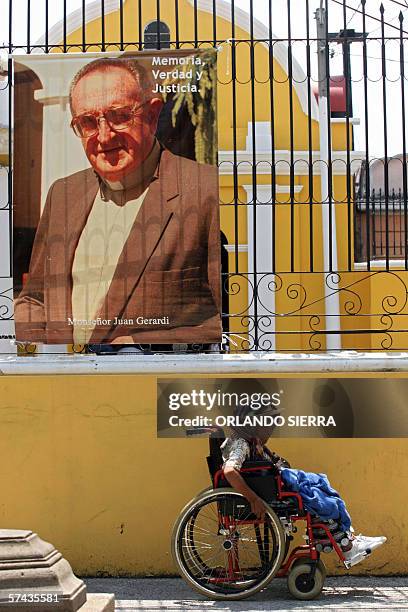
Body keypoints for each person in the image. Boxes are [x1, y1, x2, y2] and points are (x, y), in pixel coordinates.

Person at [14, 56, 221, 345]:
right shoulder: (63, 193)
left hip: (149, 385)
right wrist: (45, 351)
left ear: (152, 115)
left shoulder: (206, 190)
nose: (103, 136)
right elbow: (34, 298)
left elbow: (226, 319)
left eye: (119, 116)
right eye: (87, 122)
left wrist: (137, 345)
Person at [221, 408, 386, 568]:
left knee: (319, 488)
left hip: (274, 487)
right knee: (315, 498)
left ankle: (348, 540)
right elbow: (229, 471)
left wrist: (269, 456)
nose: (273, 426)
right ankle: (347, 547)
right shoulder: (241, 445)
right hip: (264, 495)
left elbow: (277, 466)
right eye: (269, 422)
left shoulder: (253, 443)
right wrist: (254, 499)